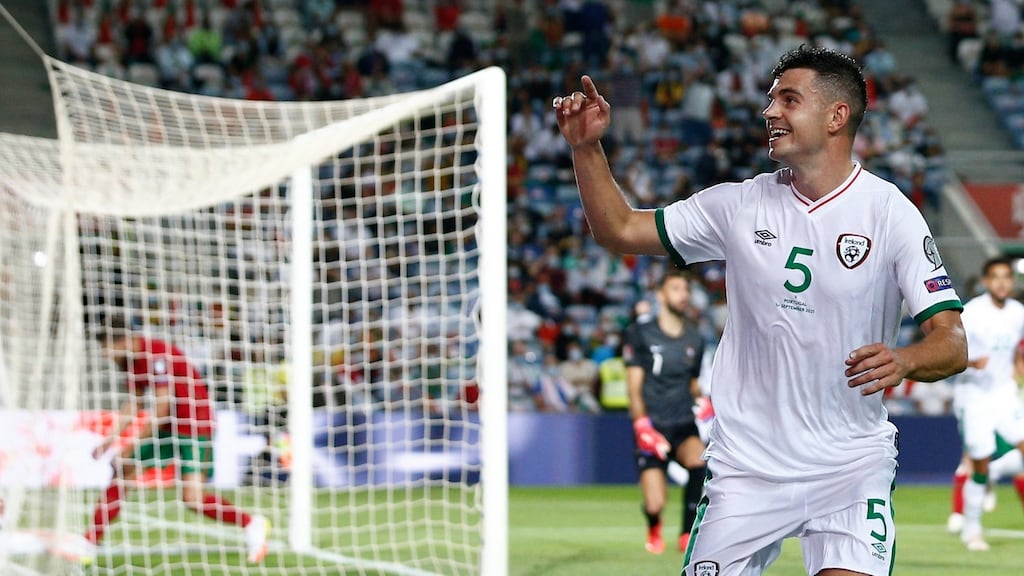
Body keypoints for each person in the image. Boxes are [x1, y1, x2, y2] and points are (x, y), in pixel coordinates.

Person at [552, 44, 967, 576]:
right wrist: (586, 148)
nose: (769, 111)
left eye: (788, 100)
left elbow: (953, 341)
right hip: (746, 469)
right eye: (771, 100)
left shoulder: (891, 214)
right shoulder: (737, 205)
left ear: (836, 116)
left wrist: (906, 360)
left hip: (849, 467)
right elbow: (620, 229)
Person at [85, 315, 270, 563]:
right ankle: (89, 541)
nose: (106, 354)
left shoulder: (157, 356)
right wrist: (109, 441)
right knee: (123, 470)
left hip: (195, 426)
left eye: (107, 347)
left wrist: (130, 445)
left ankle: (251, 523)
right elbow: (135, 403)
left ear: (125, 340)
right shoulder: (132, 362)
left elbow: (161, 408)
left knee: (192, 499)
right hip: (168, 427)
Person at [623, 269, 706, 554]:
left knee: (699, 460)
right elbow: (634, 387)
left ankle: (687, 533)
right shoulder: (640, 334)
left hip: (683, 423)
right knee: (655, 503)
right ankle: (654, 523)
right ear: (660, 295)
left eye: (686, 289)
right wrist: (641, 425)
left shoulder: (695, 338)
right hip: (653, 425)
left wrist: (705, 402)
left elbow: (693, 384)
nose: (683, 295)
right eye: (676, 288)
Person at [948, 257, 1024, 550]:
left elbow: (1016, 349)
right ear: (985, 282)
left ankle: (995, 471)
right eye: (995, 277)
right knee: (979, 464)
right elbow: (949, 351)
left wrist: (1017, 366)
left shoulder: (1018, 312)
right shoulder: (972, 313)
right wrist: (970, 362)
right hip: (974, 397)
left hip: (1004, 393)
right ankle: (972, 529)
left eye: (1006, 277)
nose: (1002, 283)